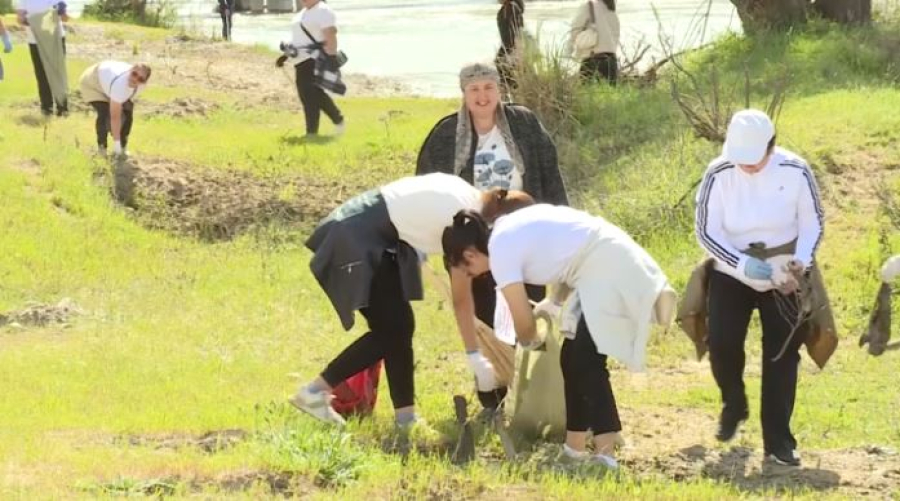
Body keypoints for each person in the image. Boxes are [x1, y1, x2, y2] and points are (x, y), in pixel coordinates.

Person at [291, 173, 532, 437]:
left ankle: (405, 419)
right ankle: (314, 392)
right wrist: (474, 355)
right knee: (392, 329)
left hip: (368, 235)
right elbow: (462, 299)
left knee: (399, 326)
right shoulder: (461, 220)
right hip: (355, 236)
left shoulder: (467, 199)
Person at [442, 204, 675, 469]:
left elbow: (523, 323)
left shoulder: (500, 252)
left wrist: (524, 353)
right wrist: (553, 301)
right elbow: (569, 255)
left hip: (609, 264)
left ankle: (606, 455)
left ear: (470, 255)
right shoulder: (504, 233)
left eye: (469, 271)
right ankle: (574, 449)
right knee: (573, 358)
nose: (475, 276)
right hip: (598, 264)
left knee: (584, 359)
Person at [416, 62, 569, 411]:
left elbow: (550, 172)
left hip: (525, 230)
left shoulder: (524, 124)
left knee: (525, 311)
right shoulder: (445, 134)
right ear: (464, 95)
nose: (482, 96)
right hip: (474, 239)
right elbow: (427, 185)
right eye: (474, 90)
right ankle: (492, 398)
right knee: (485, 315)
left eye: (488, 88)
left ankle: (534, 396)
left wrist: (559, 222)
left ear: (499, 91)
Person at [694, 109, 826, 466]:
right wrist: (742, 265)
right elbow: (707, 231)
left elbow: (812, 221)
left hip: (785, 269)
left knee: (782, 353)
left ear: (772, 146)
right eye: (742, 161)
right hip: (732, 268)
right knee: (721, 342)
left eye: (755, 161)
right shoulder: (718, 172)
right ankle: (733, 403)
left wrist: (802, 260)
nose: (748, 168)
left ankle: (779, 440)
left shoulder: (796, 170)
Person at [286, 0, 345, 137]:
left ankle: (313, 132)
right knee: (309, 95)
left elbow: (330, 35)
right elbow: (299, 39)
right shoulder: (302, 13)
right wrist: (286, 55)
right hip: (300, 61)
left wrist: (331, 59)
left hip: (315, 58)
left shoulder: (323, 10)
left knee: (311, 94)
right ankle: (337, 120)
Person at [78, 61, 151, 157]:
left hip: (109, 82)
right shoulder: (119, 84)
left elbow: (124, 102)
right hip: (93, 82)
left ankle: (123, 148)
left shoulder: (140, 87)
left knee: (128, 112)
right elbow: (115, 117)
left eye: (140, 79)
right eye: (134, 74)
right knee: (105, 113)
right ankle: (102, 150)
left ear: (144, 82)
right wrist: (116, 143)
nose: (135, 79)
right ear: (130, 70)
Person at [17, 0, 69, 115]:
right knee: (41, 74)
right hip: (35, 40)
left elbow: (66, 18)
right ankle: (47, 108)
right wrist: (29, 20)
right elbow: (20, 19)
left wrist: (62, 11)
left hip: (55, 39)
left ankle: (62, 107)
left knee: (58, 72)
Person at [568, 0, 619, 85]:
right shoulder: (612, 9)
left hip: (592, 60)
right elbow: (616, 37)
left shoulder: (588, 6)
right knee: (610, 96)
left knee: (587, 95)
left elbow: (575, 30)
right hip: (612, 61)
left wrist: (567, 53)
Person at [495, 0, 524, 92]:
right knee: (501, 66)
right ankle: (512, 91)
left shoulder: (512, 7)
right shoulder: (505, 8)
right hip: (507, 46)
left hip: (512, 46)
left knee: (504, 67)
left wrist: (515, 49)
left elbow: (518, 30)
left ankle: (513, 91)